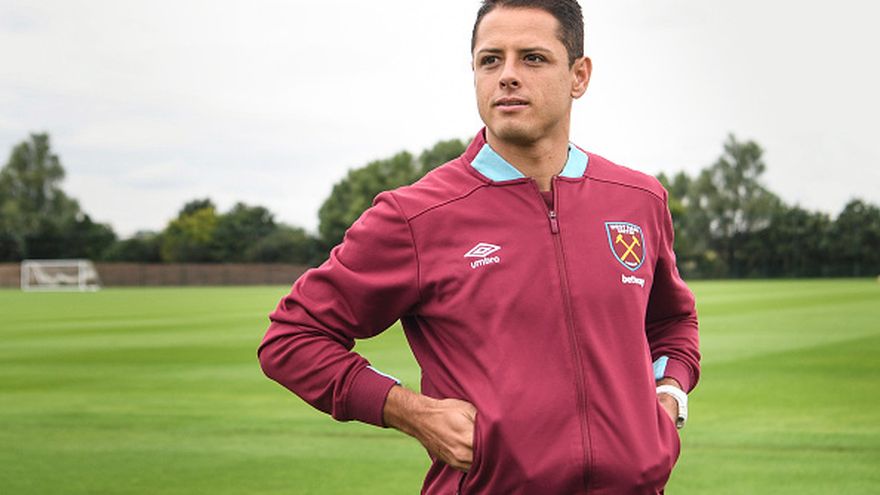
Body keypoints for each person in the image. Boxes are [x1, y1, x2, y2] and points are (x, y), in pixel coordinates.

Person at [258, 1, 700, 493]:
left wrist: (670, 393)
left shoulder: (638, 199)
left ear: (579, 76)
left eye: (532, 58)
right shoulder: (416, 216)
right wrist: (412, 412)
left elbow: (672, 321)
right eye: (491, 60)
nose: (507, 75)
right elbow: (292, 338)